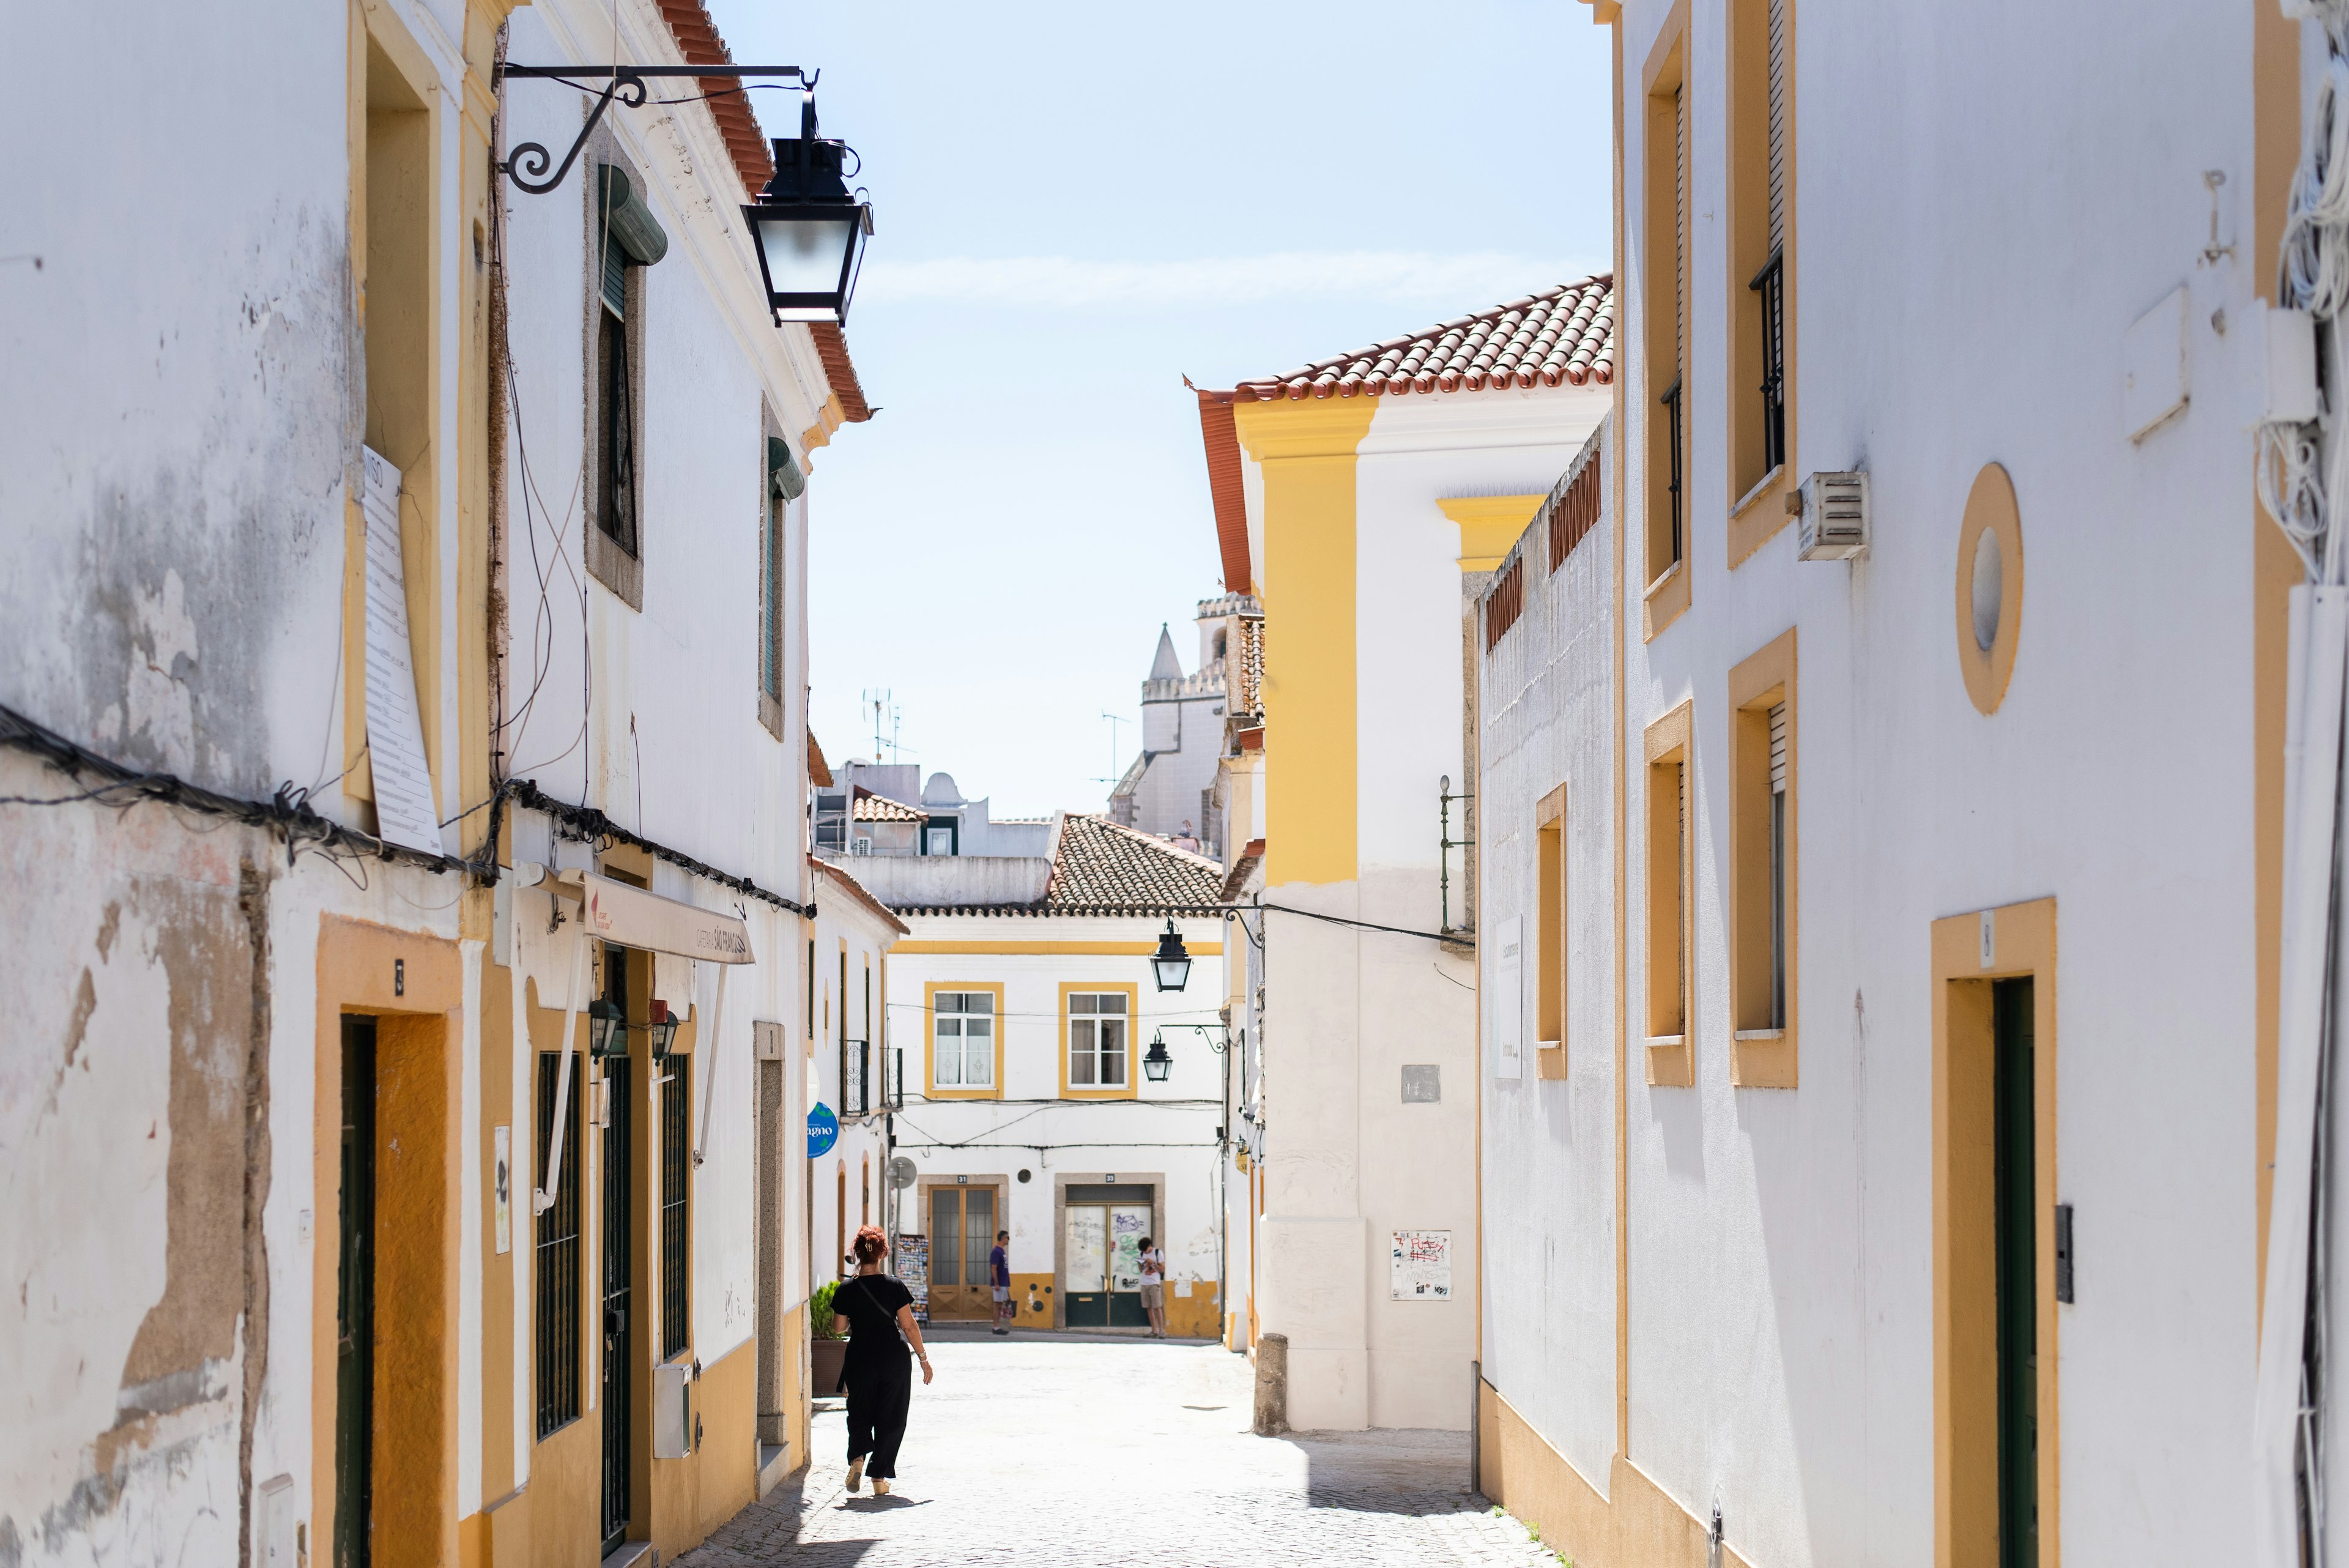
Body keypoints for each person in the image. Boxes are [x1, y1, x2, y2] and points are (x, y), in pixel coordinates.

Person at [831, 1225, 932, 1496]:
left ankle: (857, 1459)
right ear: (882, 1253)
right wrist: (923, 1359)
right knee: (893, 1416)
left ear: (856, 1254)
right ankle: (878, 1478)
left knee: (860, 1410)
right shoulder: (894, 1285)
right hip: (893, 1358)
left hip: (861, 1357)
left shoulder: (846, 1289)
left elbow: (838, 1328)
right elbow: (909, 1325)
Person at [1137, 1236, 1168, 1338]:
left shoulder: (1158, 1253)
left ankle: (1161, 1331)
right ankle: (1154, 1330)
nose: (1145, 1253)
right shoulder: (1142, 1254)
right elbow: (1141, 1270)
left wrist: (1153, 1263)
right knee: (1148, 1307)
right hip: (1144, 1283)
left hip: (1154, 1283)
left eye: (1146, 1251)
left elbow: (1162, 1270)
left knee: (1157, 1307)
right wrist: (1141, 1264)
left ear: (1150, 1246)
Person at [989, 1229, 1012, 1335]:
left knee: (1000, 1305)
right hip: (999, 1283)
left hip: (1004, 1282)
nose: (1009, 1240)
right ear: (1003, 1239)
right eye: (1008, 1238)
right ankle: (996, 1327)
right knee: (997, 1305)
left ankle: (998, 1326)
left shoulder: (1002, 1251)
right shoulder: (997, 1251)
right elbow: (994, 1268)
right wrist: (996, 1283)